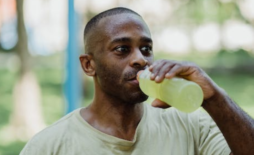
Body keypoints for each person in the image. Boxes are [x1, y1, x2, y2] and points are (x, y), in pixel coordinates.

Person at [20, 7, 254, 155]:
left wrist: (214, 97)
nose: (140, 60)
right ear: (89, 65)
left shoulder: (191, 126)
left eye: (146, 49)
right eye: (122, 49)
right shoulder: (49, 146)